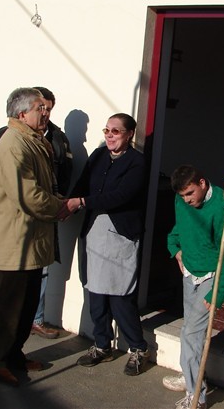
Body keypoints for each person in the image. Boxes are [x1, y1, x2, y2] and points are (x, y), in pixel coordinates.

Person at [0, 87, 71, 387]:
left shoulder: (31, 140)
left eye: (46, 108)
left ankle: (14, 356)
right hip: (17, 242)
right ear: (22, 114)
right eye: (39, 108)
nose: (45, 113)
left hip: (32, 241)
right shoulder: (13, 145)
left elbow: (44, 185)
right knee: (8, 309)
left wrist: (56, 200)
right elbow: (29, 195)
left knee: (25, 308)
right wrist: (59, 207)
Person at [65, 113, 150, 376]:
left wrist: (82, 203)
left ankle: (138, 348)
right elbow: (82, 186)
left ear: (129, 134)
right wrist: (68, 205)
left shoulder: (137, 162)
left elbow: (122, 195)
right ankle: (102, 345)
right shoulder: (98, 156)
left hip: (119, 236)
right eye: (107, 130)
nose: (109, 135)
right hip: (94, 233)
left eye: (116, 131)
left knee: (120, 296)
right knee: (95, 294)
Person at [162, 165, 224, 409]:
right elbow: (179, 230)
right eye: (182, 196)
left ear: (203, 184)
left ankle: (197, 396)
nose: (186, 201)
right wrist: (175, 248)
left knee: (192, 333)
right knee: (189, 329)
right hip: (189, 271)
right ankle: (190, 375)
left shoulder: (221, 207)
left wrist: (217, 294)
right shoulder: (181, 201)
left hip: (211, 277)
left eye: (190, 194)